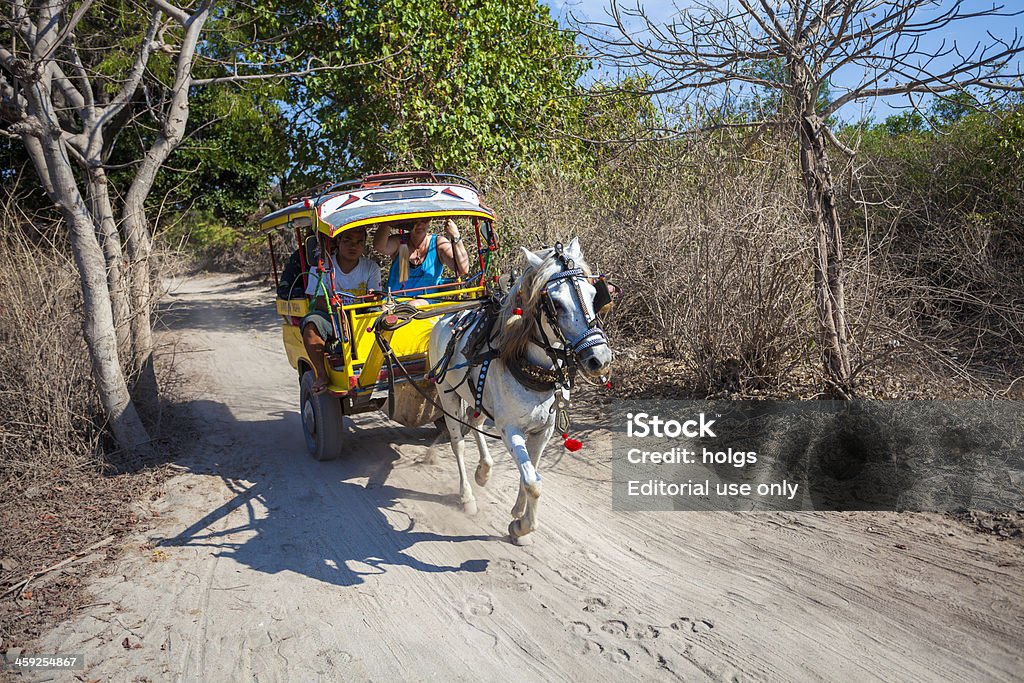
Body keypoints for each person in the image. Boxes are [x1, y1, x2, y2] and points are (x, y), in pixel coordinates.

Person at [300, 227, 381, 394]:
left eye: (359, 242)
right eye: (347, 241)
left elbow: (375, 296)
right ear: (338, 242)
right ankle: (322, 374)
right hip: (333, 318)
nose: (354, 246)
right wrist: (336, 308)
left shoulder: (371, 267)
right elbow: (318, 299)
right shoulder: (321, 267)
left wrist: (371, 299)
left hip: (361, 318)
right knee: (310, 325)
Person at [373, 218, 470, 294]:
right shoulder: (400, 242)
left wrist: (456, 235)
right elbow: (379, 246)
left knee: (414, 305)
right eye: (414, 221)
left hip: (425, 304)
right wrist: (388, 222)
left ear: (430, 221)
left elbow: (463, 269)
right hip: (394, 302)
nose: (419, 224)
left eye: (425, 220)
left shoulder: (438, 243)